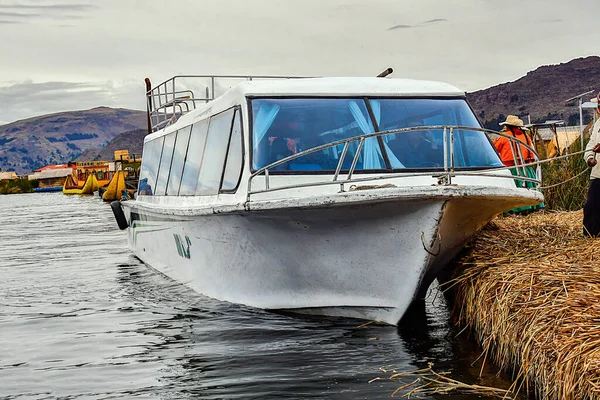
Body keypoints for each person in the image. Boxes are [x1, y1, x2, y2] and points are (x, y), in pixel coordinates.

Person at [493, 115, 543, 213]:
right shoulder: (526, 136)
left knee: (514, 188)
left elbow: (493, 149)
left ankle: (516, 209)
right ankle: (533, 207)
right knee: (530, 187)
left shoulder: (504, 137)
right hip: (526, 168)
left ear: (508, 126)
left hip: (511, 168)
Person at [583, 97, 600, 237]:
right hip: (598, 172)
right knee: (591, 205)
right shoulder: (598, 123)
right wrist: (589, 158)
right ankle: (590, 235)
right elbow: (590, 145)